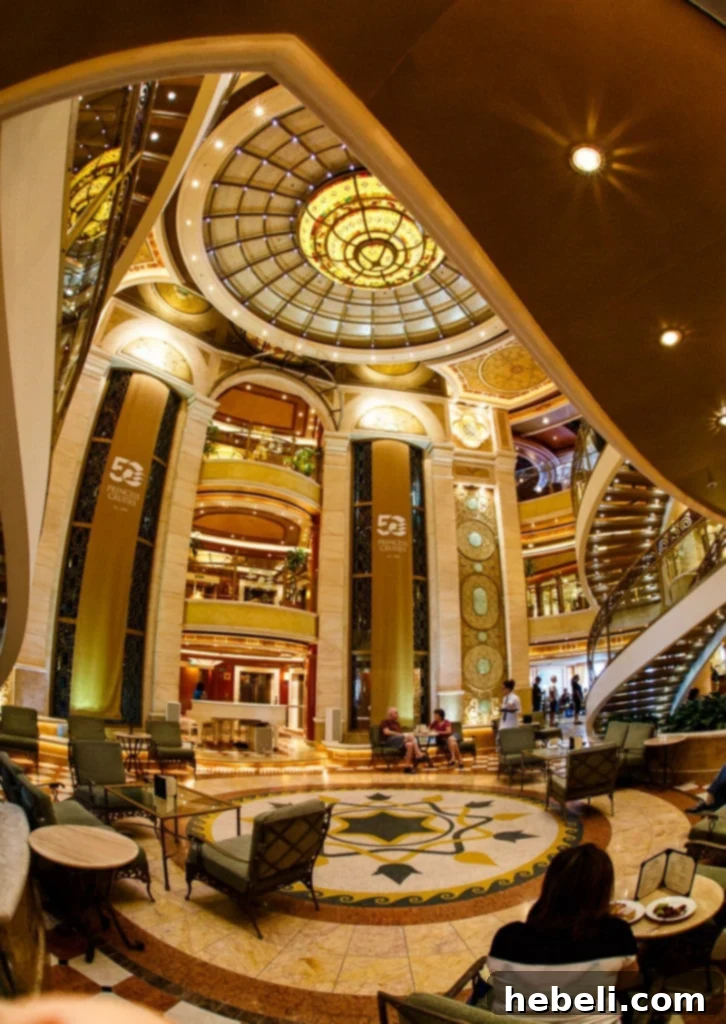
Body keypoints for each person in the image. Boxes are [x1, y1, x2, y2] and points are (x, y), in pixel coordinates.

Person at [487, 845, 639, 1023]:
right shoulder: (616, 933)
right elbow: (628, 981)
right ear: (602, 892)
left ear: (550, 885)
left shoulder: (506, 939)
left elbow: (498, 982)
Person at [380, 706, 425, 774]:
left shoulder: (397, 723)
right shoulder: (385, 721)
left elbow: (402, 736)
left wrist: (403, 736)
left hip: (398, 741)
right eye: (396, 713)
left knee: (410, 745)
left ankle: (407, 767)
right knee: (410, 736)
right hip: (389, 741)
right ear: (390, 714)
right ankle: (418, 753)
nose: (397, 714)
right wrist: (399, 734)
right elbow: (386, 732)